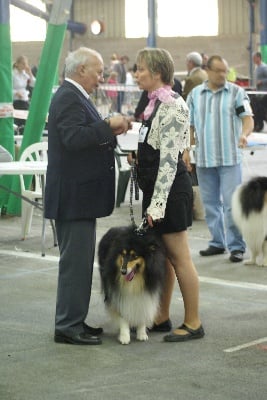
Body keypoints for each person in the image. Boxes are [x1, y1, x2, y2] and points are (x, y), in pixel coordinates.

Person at [44, 47, 130, 345]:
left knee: (80, 264)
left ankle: (74, 319)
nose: (102, 76)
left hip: (79, 196)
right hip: (73, 197)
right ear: (81, 70)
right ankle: (68, 326)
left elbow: (84, 134)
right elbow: (73, 138)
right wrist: (107, 126)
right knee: (75, 265)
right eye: (99, 70)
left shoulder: (75, 96)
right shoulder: (69, 97)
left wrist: (107, 130)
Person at [134, 47, 204, 342]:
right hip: (156, 191)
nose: (136, 74)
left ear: (158, 73)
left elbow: (169, 162)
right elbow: (154, 147)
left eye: (140, 69)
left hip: (170, 191)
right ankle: (161, 316)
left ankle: (193, 323)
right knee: (163, 258)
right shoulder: (152, 104)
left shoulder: (173, 105)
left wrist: (157, 205)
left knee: (180, 258)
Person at [186, 55, 254, 262]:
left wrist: (244, 134)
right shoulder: (195, 95)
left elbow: (247, 119)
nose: (223, 75)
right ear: (208, 70)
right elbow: (189, 125)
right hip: (205, 159)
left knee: (232, 205)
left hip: (229, 158)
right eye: (219, 71)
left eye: (225, 71)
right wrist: (187, 150)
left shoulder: (236, 93)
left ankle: (236, 246)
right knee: (210, 204)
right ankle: (217, 242)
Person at [12, 55, 36, 129]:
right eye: (23, 63)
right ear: (17, 64)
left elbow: (34, 84)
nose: (24, 66)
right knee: (17, 123)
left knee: (25, 122)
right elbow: (7, 88)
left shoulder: (25, 74)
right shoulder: (12, 74)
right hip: (15, 101)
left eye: (26, 64)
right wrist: (16, 93)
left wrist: (30, 73)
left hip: (24, 101)